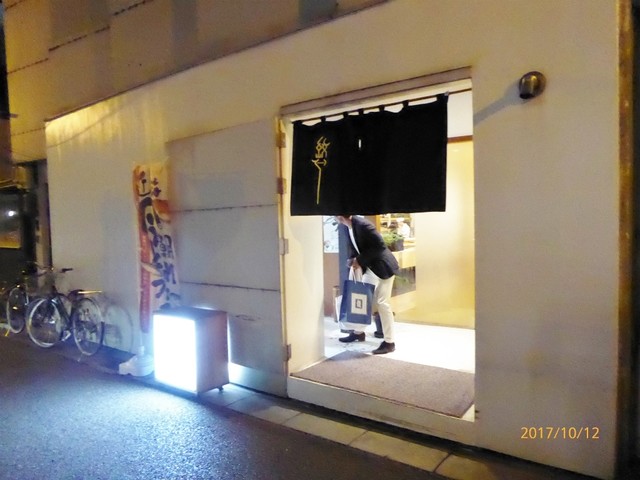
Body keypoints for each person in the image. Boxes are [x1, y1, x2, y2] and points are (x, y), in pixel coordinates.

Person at [336, 215, 399, 354]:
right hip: (370, 268)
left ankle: (389, 342)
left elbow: (380, 246)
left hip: (383, 268)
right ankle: (358, 333)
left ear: (339, 216)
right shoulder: (347, 227)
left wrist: (359, 260)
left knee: (383, 304)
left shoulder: (363, 225)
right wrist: (352, 260)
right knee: (362, 300)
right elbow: (355, 248)